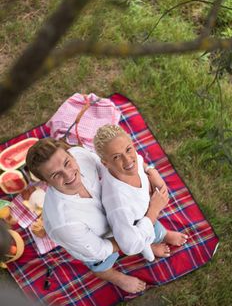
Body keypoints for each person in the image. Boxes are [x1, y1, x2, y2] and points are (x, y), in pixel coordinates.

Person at [26, 138, 148, 294]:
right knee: (99, 264)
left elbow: (107, 167)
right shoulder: (64, 224)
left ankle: (147, 241)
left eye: (67, 163)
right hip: (98, 244)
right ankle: (114, 276)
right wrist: (131, 234)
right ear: (46, 182)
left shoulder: (80, 155)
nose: (68, 174)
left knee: (142, 223)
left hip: (117, 215)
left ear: (70, 155)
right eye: (56, 175)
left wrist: (148, 172)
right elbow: (99, 250)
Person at [93, 124, 188, 262]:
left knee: (156, 228)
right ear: (105, 163)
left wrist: (150, 170)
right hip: (135, 226)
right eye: (117, 157)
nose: (128, 160)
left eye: (128, 149)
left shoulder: (130, 160)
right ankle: (150, 247)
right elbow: (130, 245)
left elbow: (138, 159)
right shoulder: (119, 205)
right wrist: (154, 210)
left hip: (144, 210)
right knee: (146, 236)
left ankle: (163, 234)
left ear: (132, 144)